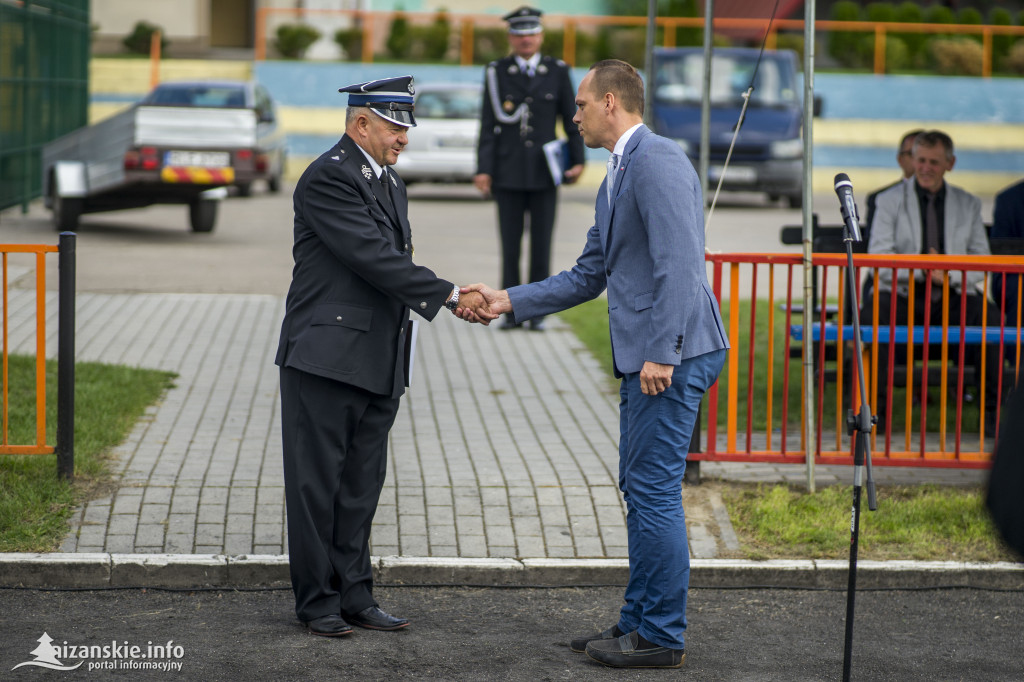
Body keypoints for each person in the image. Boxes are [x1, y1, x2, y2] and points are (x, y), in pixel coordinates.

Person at [459, 59, 729, 669]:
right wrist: (508, 301)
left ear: (610, 102)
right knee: (641, 488)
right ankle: (637, 619)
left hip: (672, 355)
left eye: (579, 105)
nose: (572, 114)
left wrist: (661, 351)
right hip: (652, 357)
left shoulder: (655, 161)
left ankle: (660, 635)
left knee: (654, 492)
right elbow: (589, 274)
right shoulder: (620, 169)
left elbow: (682, 267)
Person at [275, 75, 493, 638]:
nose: (404, 138)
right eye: (395, 127)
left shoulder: (387, 181)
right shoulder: (329, 176)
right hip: (325, 357)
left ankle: (355, 595)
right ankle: (318, 602)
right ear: (361, 122)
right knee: (316, 486)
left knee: (360, 486)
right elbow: (371, 256)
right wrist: (450, 294)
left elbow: (386, 264)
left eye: (406, 127)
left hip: (377, 358)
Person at [860, 129, 1001, 431]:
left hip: (951, 296)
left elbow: (983, 260)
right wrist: (920, 269)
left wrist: (947, 275)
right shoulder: (888, 201)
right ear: (911, 160)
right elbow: (878, 260)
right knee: (875, 312)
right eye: (920, 160)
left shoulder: (969, 204)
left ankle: (992, 414)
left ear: (950, 164)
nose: (925, 168)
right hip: (901, 295)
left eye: (934, 162)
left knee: (991, 318)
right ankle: (876, 414)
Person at [474, 5, 585, 331]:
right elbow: (487, 124)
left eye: (532, 33)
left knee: (541, 246)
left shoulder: (557, 70)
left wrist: (577, 160)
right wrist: (483, 169)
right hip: (507, 173)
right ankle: (508, 312)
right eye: (520, 34)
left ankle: (536, 312)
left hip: (544, 173)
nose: (526, 39)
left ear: (541, 36)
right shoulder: (497, 72)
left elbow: (572, 118)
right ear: (511, 37)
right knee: (509, 247)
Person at [864, 129, 922, 231]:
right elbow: (875, 243)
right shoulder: (879, 199)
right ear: (900, 159)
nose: (921, 161)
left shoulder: (956, 199)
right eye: (912, 153)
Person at [990, 178, 1024, 325]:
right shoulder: (1008, 200)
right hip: (1015, 276)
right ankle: (1017, 347)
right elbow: (1002, 253)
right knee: (1020, 287)